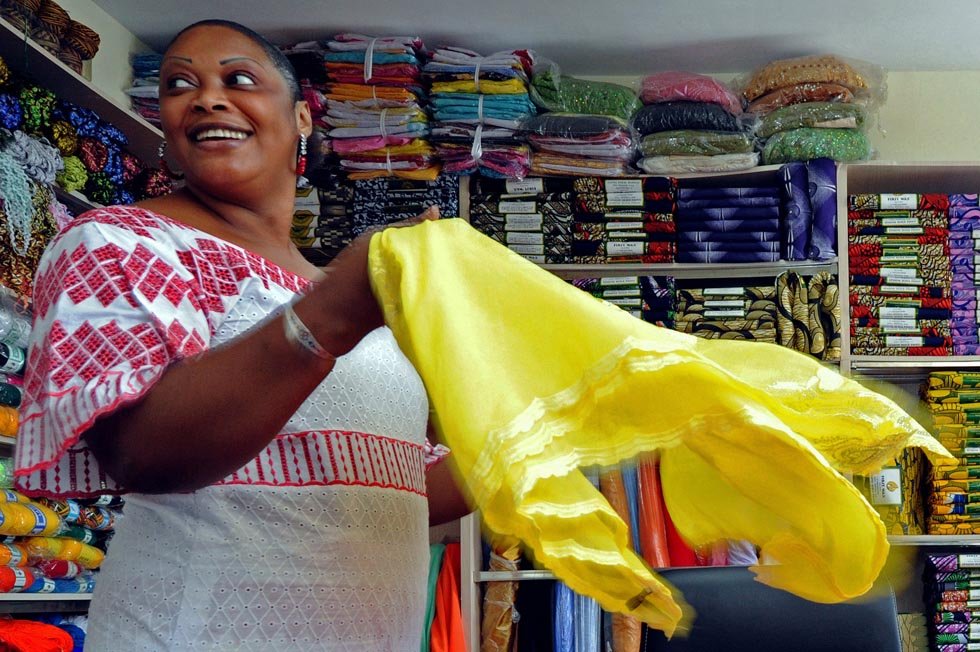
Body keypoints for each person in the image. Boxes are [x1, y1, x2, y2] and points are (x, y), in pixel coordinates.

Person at [13, 19, 468, 651]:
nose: (206, 97)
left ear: (303, 119)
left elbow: (398, 490)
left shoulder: (346, 293)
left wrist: (557, 428)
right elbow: (141, 453)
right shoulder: (121, 242)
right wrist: (332, 313)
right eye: (179, 85)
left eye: (239, 79)